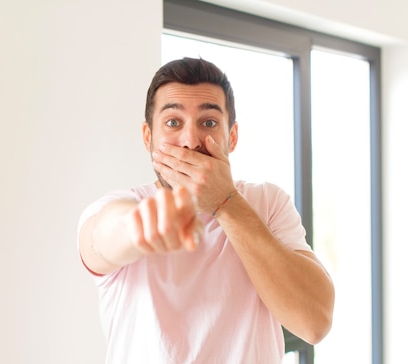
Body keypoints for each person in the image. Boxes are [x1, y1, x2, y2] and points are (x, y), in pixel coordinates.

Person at [77, 57, 334, 363]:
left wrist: (225, 202)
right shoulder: (123, 207)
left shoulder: (267, 203)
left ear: (232, 137)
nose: (190, 140)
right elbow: (99, 240)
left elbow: (314, 322)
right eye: (173, 122)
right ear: (148, 137)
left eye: (208, 123)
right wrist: (136, 227)